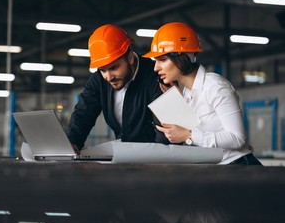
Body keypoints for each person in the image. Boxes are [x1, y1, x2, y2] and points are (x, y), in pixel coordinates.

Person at [143, 22, 261, 165]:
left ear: (181, 58)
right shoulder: (187, 92)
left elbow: (238, 139)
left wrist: (188, 135)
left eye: (162, 60)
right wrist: (180, 106)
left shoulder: (215, 86)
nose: (156, 67)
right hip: (218, 170)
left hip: (240, 167)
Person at [67, 24, 169, 153]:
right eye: (102, 70)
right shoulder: (99, 80)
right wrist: (72, 143)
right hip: (122, 157)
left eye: (114, 67)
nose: (109, 77)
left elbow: (165, 132)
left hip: (154, 159)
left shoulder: (156, 77)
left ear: (130, 58)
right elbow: (83, 114)